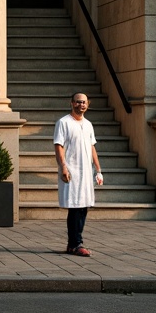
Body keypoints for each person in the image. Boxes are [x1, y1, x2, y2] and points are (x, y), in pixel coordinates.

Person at [54, 91, 103, 257]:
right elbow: (58, 145)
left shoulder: (88, 124)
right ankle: (76, 243)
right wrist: (63, 167)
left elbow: (92, 147)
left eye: (83, 102)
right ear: (71, 103)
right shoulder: (63, 122)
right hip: (72, 171)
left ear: (88, 104)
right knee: (75, 207)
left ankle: (73, 244)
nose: (80, 105)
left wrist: (98, 169)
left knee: (83, 207)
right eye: (77, 102)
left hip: (86, 172)